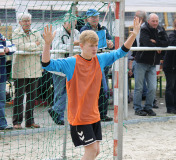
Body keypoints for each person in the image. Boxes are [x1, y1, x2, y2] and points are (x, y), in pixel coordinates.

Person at [41, 17, 141, 160]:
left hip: (94, 114)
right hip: (79, 117)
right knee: (92, 150)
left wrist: (133, 35)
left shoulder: (100, 59)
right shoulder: (72, 62)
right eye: (91, 46)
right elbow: (46, 64)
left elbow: (121, 51)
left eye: (96, 45)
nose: (94, 49)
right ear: (81, 46)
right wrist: (47, 44)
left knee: (96, 151)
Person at [80, 9, 114, 121]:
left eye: (96, 17)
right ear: (87, 18)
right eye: (92, 17)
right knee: (91, 89)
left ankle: (102, 114)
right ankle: (90, 113)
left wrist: (110, 43)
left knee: (103, 88)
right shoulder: (84, 30)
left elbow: (111, 42)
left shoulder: (104, 29)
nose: (95, 19)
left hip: (101, 62)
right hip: (89, 63)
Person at [12, 12, 44, 129]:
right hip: (20, 69)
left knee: (32, 96)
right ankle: (17, 122)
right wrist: (34, 45)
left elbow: (42, 45)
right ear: (20, 22)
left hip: (34, 69)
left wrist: (30, 46)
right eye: (25, 21)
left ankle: (30, 121)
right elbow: (19, 46)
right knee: (19, 97)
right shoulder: (16, 32)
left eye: (28, 21)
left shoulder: (36, 32)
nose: (27, 23)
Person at [48, 13, 80, 125]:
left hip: (71, 66)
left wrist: (75, 46)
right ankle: (58, 115)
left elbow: (80, 47)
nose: (72, 24)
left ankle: (56, 110)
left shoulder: (77, 32)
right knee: (59, 92)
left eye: (74, 22)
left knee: (70, 91)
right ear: (64, 23)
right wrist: (72, 44)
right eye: (70, 22)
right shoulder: (57, 32)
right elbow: (57, 48)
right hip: (58, 66)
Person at [133, 13, 169, 116]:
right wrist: (157, 44)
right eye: (153, 21)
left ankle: (148, 107)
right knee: (139, 87)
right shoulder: (144, 28)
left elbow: (167, 42)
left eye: (156, 21)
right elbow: (146, 42)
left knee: (153, 87)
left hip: (153, 63)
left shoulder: (161, 29)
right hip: (141, 62)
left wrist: (155, 42)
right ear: (148, 21)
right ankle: (137, 108)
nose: (155, 23)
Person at [0, 33, 14, 130]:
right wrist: (3, 49)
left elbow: (13, 47)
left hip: (2, 75)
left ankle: (2, 124)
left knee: (2, 99)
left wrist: (7, 49)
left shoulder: (2, 37)